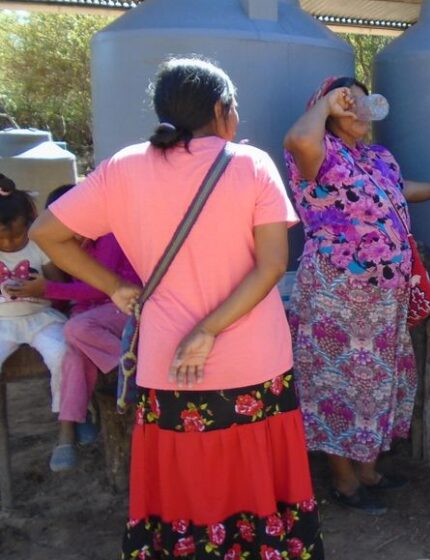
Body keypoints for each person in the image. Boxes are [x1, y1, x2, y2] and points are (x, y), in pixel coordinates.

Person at [30, 57, 322, 558]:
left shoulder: (122, 167)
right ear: (220, 109)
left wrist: (117, 288)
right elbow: (272, 266)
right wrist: (209, 330)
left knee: (186, 489)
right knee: (256, 486)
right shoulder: (251, 165)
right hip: (255, 363)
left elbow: (47, 235)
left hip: (167, 369)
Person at [284, 76, 430, 515]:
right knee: (336, 383)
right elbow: (296, 138)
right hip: (337, 295)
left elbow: (398, 194)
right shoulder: (316, 152)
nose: (360, 113)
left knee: (375, 383)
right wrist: (328, 103)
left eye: (365, 105)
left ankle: (367, 470)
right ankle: (344, 481)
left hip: (383, 298)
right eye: (351, 105)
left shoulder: (376, 156)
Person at [37, 184, 141, 472]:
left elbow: (98, 289)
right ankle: (68, 431)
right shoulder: (70, 245)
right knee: (74, 352)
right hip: (94, 318)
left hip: (126, 310)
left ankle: (136, 368)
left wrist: (47, 288)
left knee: (75, 331)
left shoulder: (110, 236)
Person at [0, 174, 67, 431]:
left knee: (61, 353)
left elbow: (59, 285)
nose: (10, 243)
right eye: (2, 239)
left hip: (42, 319)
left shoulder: (38, 246)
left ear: (30, 223)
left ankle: (65, 416)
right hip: (3, 322)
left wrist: (41, 287)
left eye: (17, 236)